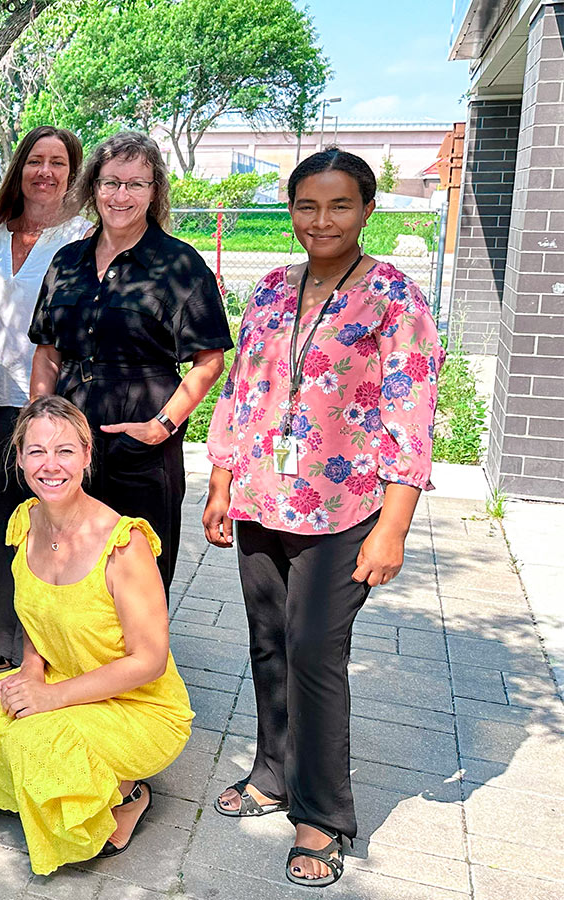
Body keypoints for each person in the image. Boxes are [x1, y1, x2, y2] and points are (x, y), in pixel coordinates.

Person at [202, 149, 441, 889]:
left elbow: (411, 412)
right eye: (307, 205)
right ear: (292, 211)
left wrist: (394, 526)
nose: (322, 220)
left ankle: (323, 814)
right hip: (261, 500)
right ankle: (273, 772)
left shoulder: (394, 296)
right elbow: (243, 389)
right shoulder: (273, 288)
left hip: (345, 511)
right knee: (269, 643)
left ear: (367, 209)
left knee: (313, 650)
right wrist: (220, 480)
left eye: (339, 205)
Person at [0, 397, 193, 875]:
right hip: (63, 679)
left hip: (140, 704)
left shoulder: (125, 543)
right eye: (37, 451)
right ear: (19, 459)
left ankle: (128, 794)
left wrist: (51, 697)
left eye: (64, 451)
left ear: (86, 455)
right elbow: (36, 612)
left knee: (38, 738)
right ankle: (70, 785)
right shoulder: (26, 521)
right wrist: (31, 671)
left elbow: (149, 661)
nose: (50, 465)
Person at [28, 131, 231, 593]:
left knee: (140, 571)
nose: (121, 196)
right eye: (110, 183)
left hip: (142, 440)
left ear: (154, 190)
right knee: (67, 561)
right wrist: (38, 421)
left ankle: (142, 642)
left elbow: (209, 361)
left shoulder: (179, 264)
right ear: (93, 188)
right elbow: (47, 350)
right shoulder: (67, 262)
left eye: (136, 184)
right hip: (68, 441)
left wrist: (161, 426)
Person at [0, 126, 93, 671]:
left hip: (56, 406)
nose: (45, 172)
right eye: (35, 161)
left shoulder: (84, 237)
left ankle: (49, 642)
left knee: (53, 526)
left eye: (58, 163)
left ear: (72, 174)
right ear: (19, 168)